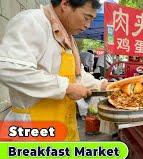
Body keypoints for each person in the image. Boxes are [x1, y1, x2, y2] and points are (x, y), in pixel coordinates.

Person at [0, 0, 108, 141]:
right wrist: (65, 87)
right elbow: (10, 68)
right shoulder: (32, 22)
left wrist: (102, 86)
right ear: (65, 4)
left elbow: (78, 75)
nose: (87, 26)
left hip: (63, 125)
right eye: (86, 18)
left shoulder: (67, 37)